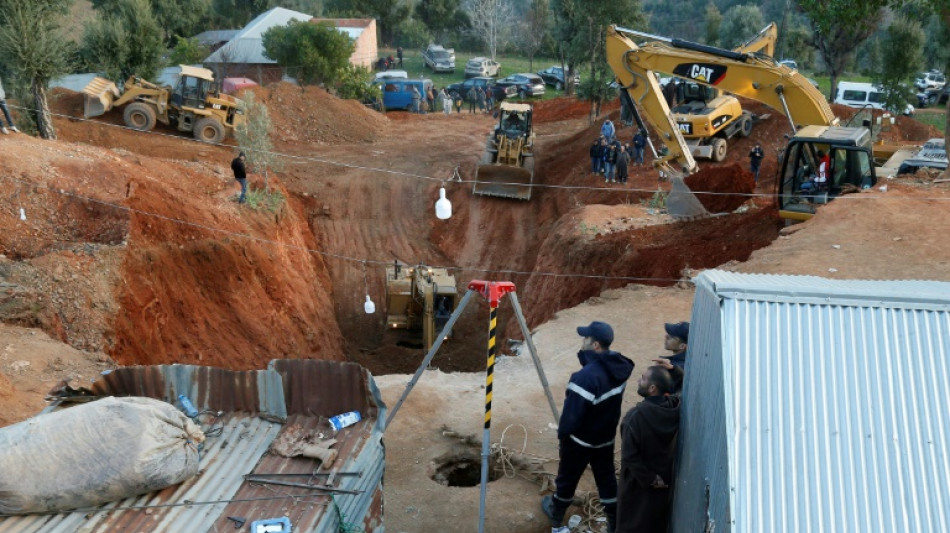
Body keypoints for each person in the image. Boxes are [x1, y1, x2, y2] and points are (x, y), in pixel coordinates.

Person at [541, 321, 634, 533]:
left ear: (595, 345)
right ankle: (614, 522)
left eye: (586, 339)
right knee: (607, 479)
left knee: (567, 478)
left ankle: (556, 516)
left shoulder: (584, 378)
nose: (582, 341)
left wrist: (564, 437)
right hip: (605, 438)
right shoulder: (620, 369)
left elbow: (571, 417)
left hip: (580, 441)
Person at [616, 366, 681, 533]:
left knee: (631, 524)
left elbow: (629, 457)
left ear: (653, 388)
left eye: (643, 378)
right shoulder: (674, 408)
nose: (639, 381)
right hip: (664, 482)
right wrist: (673, 369)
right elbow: (679, 387)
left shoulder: (635, 418)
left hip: (638, 485)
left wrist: (651, 479)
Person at [652, 321, 688, 394]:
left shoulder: (676, 368)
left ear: (682, 346)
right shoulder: (684, 361)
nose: (666, 336)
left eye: (671, 337)